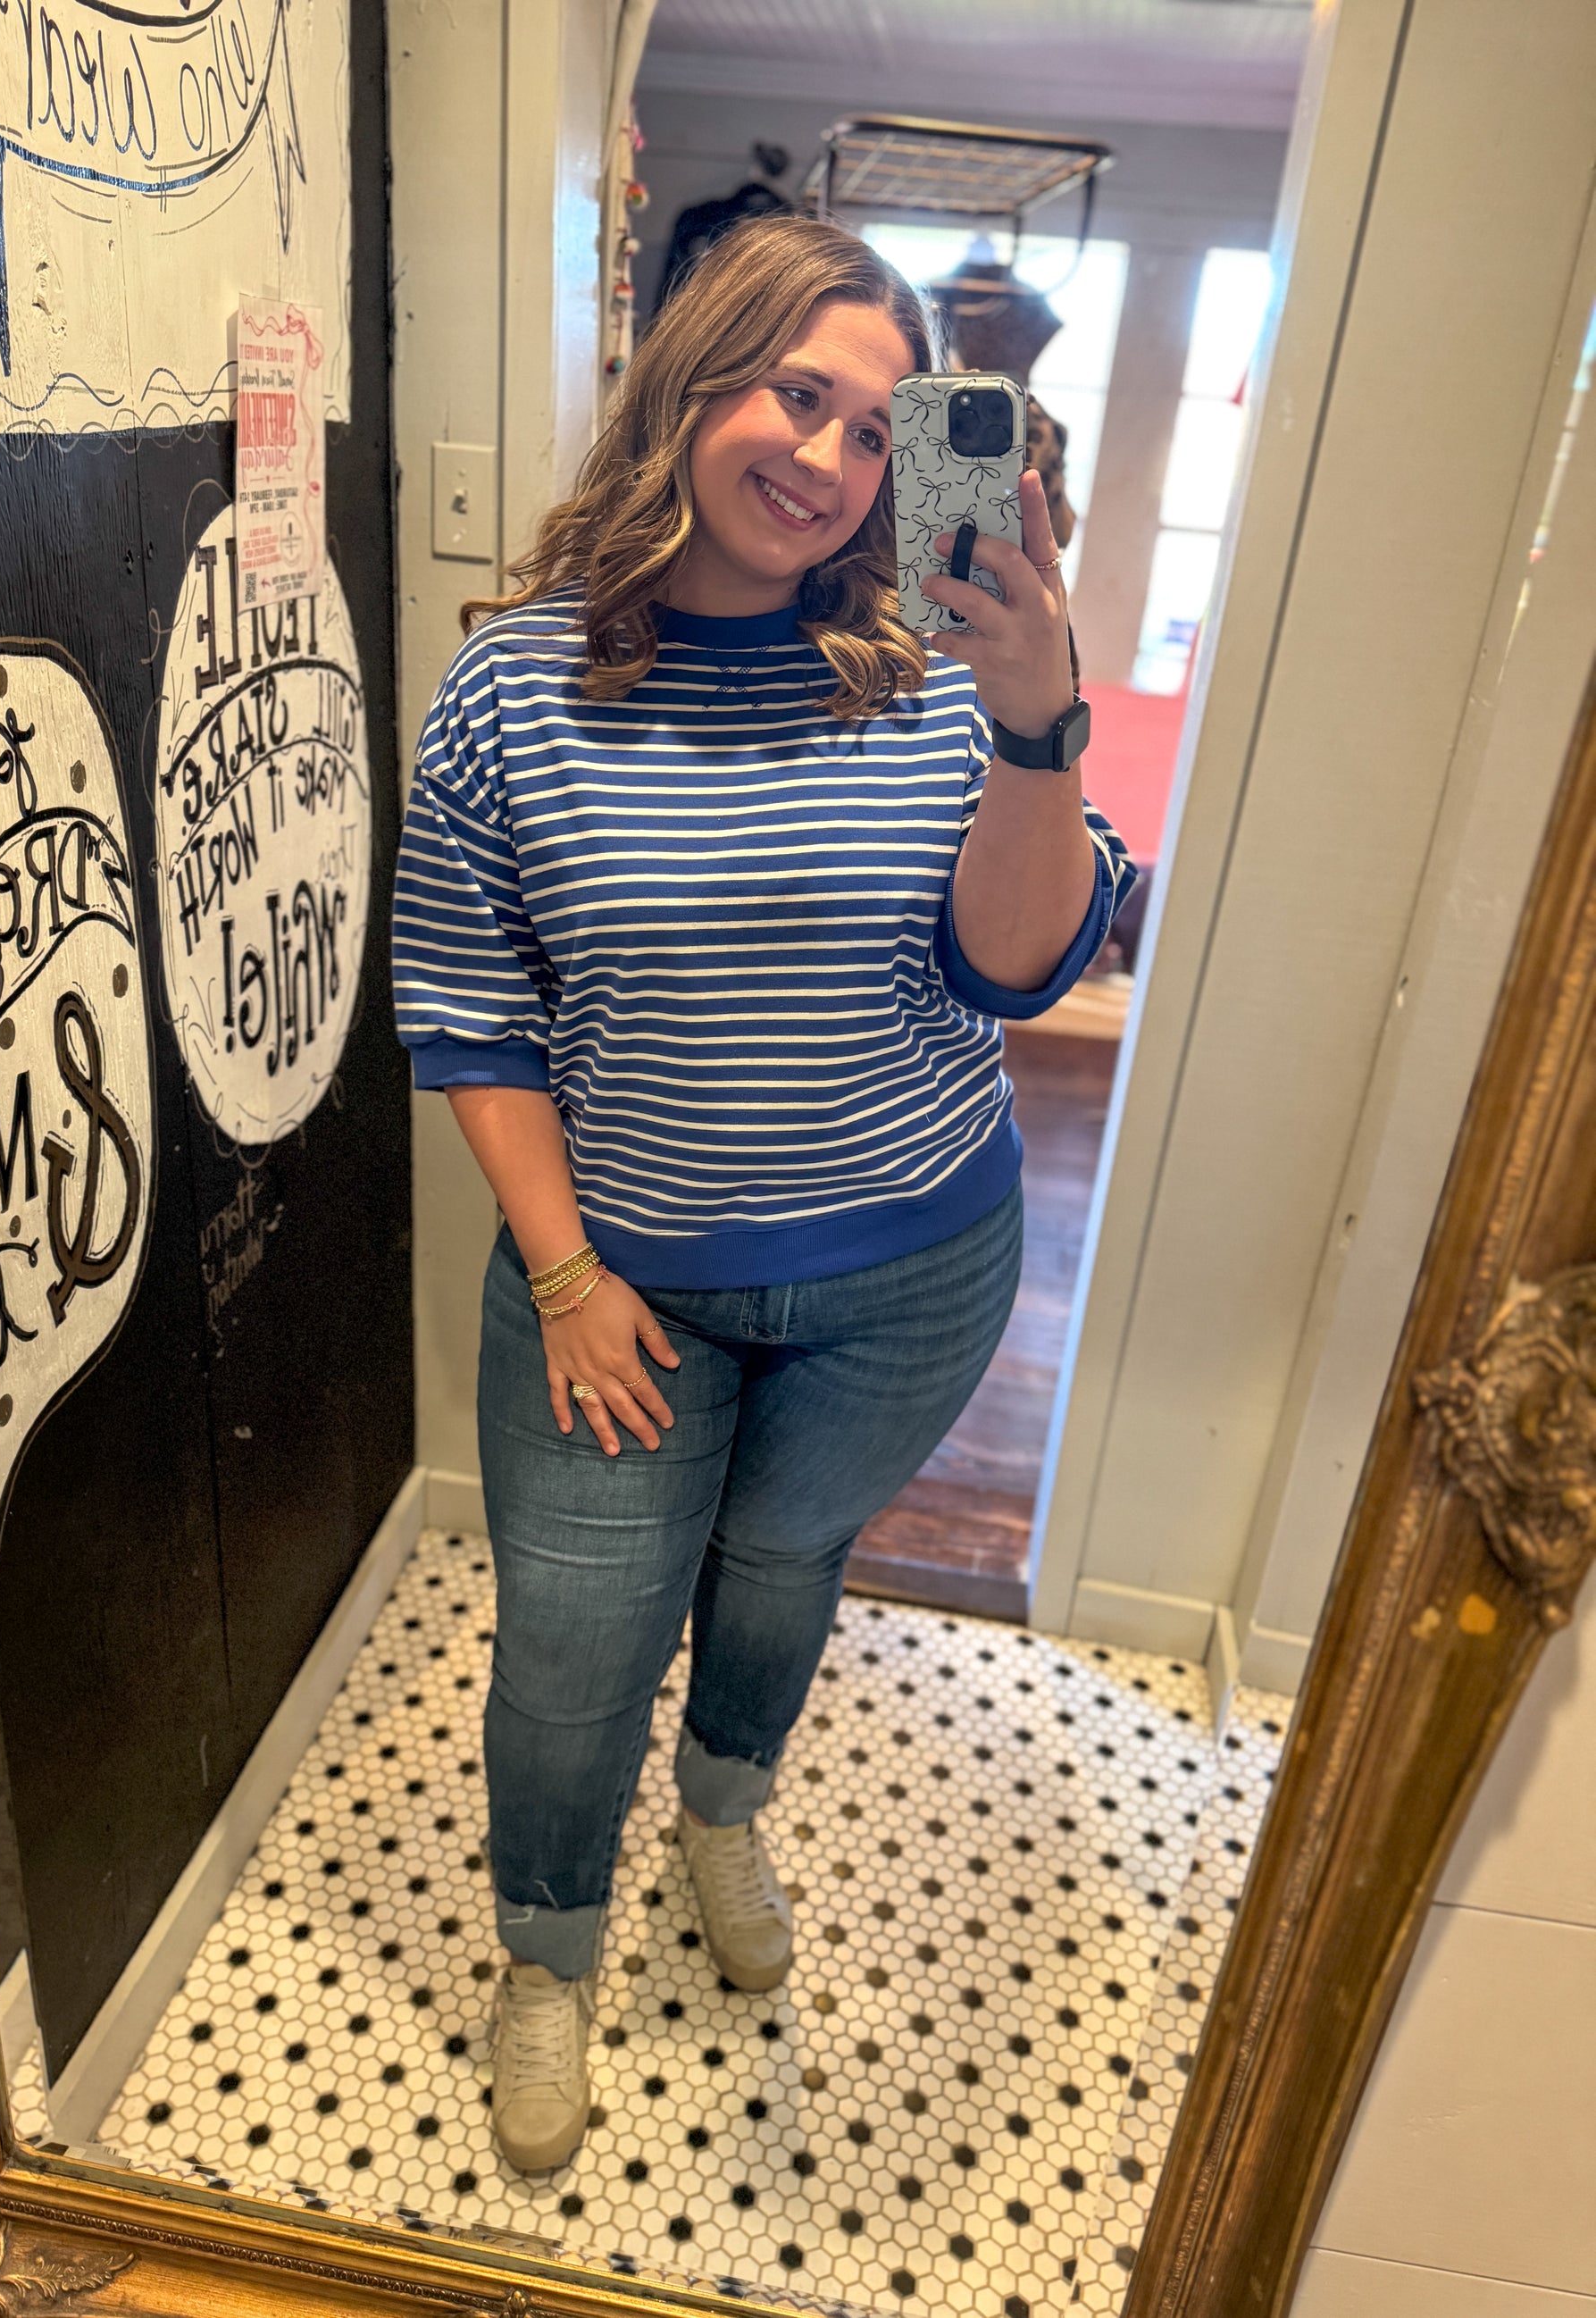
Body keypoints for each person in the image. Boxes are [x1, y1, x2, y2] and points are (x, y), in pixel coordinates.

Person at [390, 213, 1133, 2174]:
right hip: (616, 1280)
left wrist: (1038, 719)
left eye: (880, 432)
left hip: (910, 1274)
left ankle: (721, 1814)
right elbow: (469, 1010)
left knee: (786, 1566)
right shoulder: (514, 688)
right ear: (694, 377)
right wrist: (563, 1278)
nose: (828, 458)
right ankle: (549, 1949)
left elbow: (1015, 972)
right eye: (797, 395)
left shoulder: (940, 677)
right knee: (573, 1644)